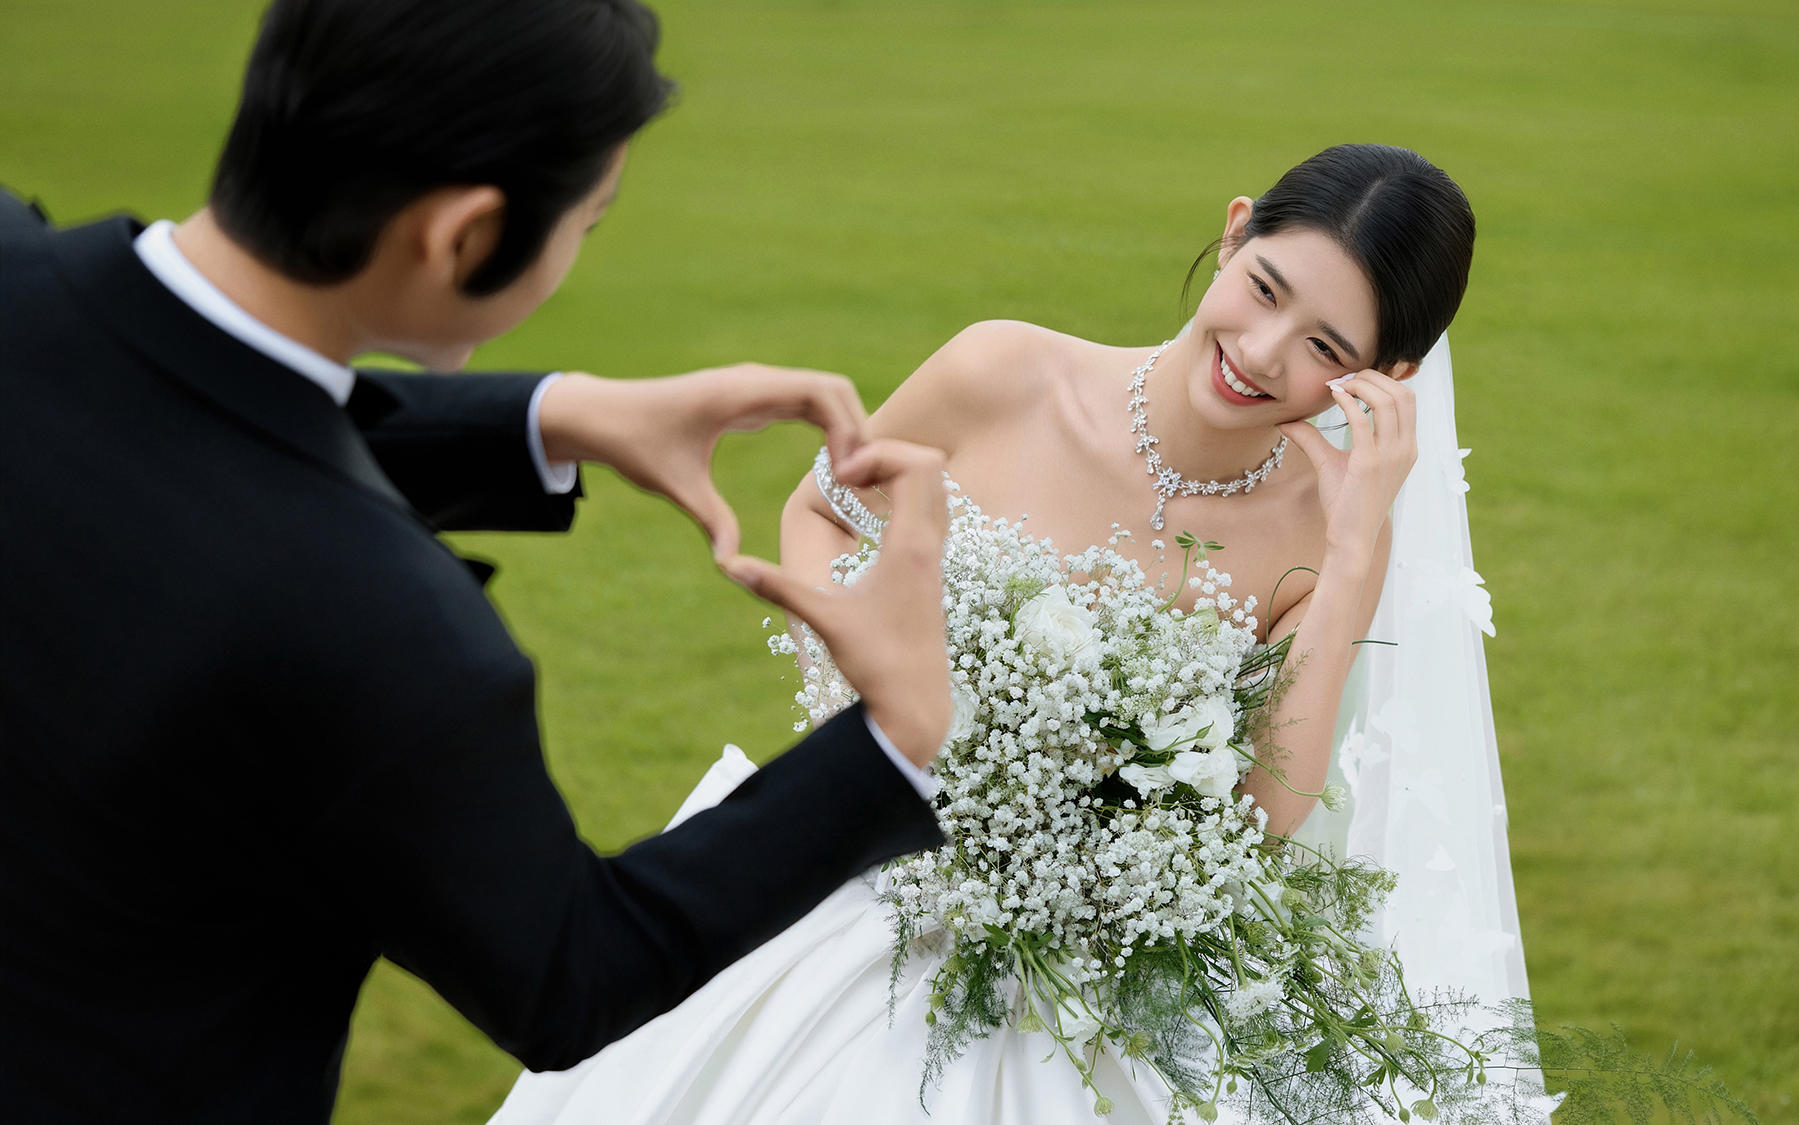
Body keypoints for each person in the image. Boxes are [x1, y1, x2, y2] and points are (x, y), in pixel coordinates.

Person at [0, 1, 967, 1121]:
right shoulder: (388, 633)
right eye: (586, 222)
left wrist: (553, 416)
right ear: (462, 236)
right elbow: (570, 969)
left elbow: (182, 421)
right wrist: (892, 741)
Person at [491, 145, 1548, 1123]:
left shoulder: (1319, 540)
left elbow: (1263, 817)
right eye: (1263, 288)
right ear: (1232, 233)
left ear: (1384, 380)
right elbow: (822, 511)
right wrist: (871, 707)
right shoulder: (1001, 370)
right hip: (856, 886)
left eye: (1323, 346)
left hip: (1083, 997)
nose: (1260, 352)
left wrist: (1356, 555)